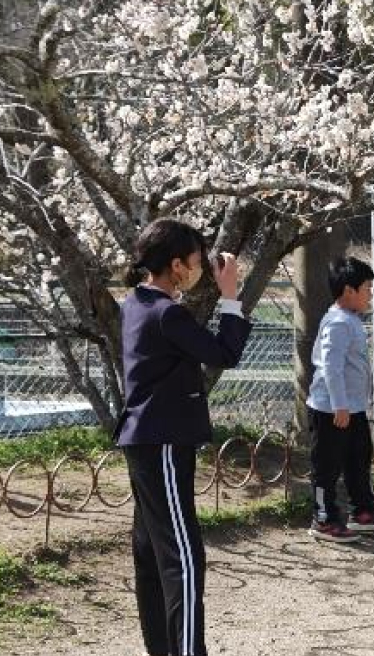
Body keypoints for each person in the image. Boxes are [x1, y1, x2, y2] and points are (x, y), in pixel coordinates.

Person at [114, 218, 251, 656]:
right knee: (183, 558)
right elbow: (224, 353)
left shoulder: (135, 303)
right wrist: (229, 295)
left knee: (153, 555)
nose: (199, 268)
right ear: (176, 265)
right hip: (165, 442)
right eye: (195, 260)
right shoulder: (166, 313)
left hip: (143, 439)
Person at [306, 256, 374, 541]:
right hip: (331, 409)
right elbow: (330, 367)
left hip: (353, 408)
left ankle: (363, 512)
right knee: (327, 466)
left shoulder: (351, 320)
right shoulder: (337, 323)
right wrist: (339, 405)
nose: (370, 294)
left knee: (359, 459)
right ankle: (323, 519)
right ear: (348, 290)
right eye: (367, 288)